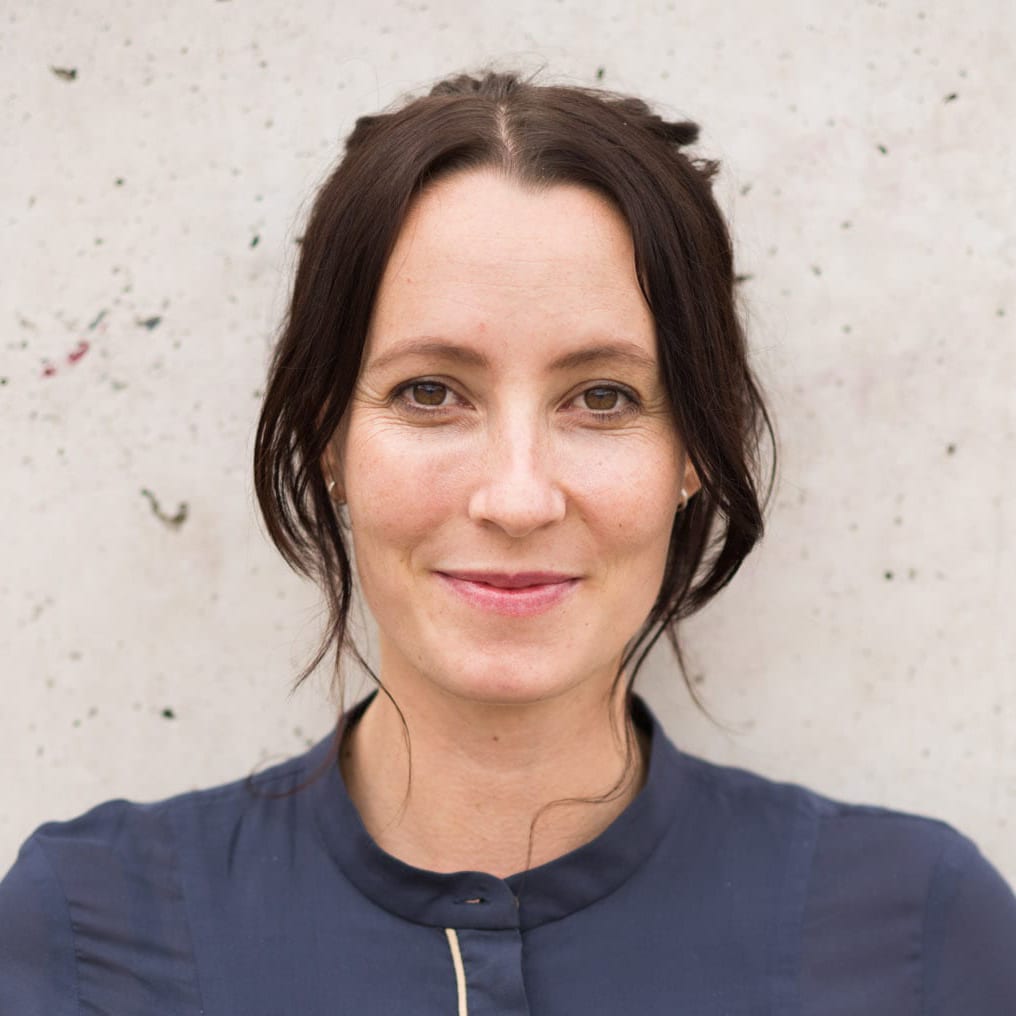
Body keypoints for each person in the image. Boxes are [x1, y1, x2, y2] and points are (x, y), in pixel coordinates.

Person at [2, 68, 1014, 1015]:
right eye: (429, 391)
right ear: (326, 438)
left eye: (603, 397)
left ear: (696, 450)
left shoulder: (914, 937)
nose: (518, 497)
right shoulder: (91, 932)